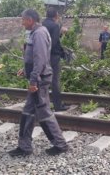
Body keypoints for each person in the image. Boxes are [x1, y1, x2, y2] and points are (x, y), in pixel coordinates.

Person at [8, 9, 68, 157]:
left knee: (44, 113)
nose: (22, 23)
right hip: (37, 78)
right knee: (28, 113)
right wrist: (25, 69)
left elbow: (40, 59)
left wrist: (34, 79)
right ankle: (24, 147)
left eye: (23, 20)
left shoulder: (40, 33)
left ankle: (60, 145)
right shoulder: (35, 32)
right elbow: (33, 57)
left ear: (30, 20)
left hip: (39, 80)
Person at [42, 8, 68, 112]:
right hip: (53, 57)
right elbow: (54, 43)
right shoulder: (55, 25)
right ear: (56, 16)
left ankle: (43, 104)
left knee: (43, 81)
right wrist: (62, 52)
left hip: (42, 56)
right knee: (55, 81)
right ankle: (58, 106)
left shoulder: (42, 25)